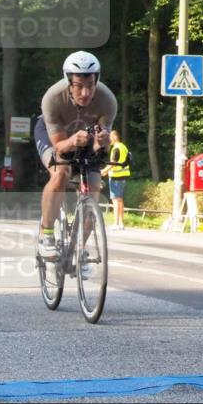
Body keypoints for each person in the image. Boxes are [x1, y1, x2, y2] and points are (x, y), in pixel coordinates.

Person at [35, 50, 117, 260]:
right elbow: (60, 147)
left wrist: (102, 142)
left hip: (86, 138)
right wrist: (72, 141)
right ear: (69, 83)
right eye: (79, 86)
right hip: (55, 136)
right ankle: (47, 236)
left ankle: (79, 250)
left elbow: (100, 148)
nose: (85, 93)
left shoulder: (107, 100)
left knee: (93, 190)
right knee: (61, 172)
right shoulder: (52, 98)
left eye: (90, 86)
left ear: (96, 81)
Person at [102, 129, 130, 230]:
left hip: (115, 177)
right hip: (123, 176)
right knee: (120, 200)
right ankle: (121, 223)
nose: (109, 140)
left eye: (110, 137)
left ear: (114, 137)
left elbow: (113, 164)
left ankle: (116, 223)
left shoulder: (116, 148)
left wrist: (103, 172)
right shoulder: (124, 147)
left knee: (115, 200)